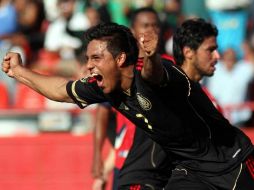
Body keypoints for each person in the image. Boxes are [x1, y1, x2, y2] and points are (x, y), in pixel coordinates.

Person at [2, 20, 254, 189]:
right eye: (88, 58)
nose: (89, 65)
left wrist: (153, 55)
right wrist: (19, 71)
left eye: (96, 57)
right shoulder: (103, 85)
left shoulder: (158, 71)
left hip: (233, 164)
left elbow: (155, 76)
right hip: (189, 170)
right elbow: (61, 91)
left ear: (121, 58)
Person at [92, 7, 172, 190]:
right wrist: (97, 156)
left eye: (155, 25)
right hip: (125, 160)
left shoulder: (170, 65)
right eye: (145, 25)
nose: (152, 30)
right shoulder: (121, 67)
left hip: (159, 164)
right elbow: (103, 112)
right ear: (133, 30)